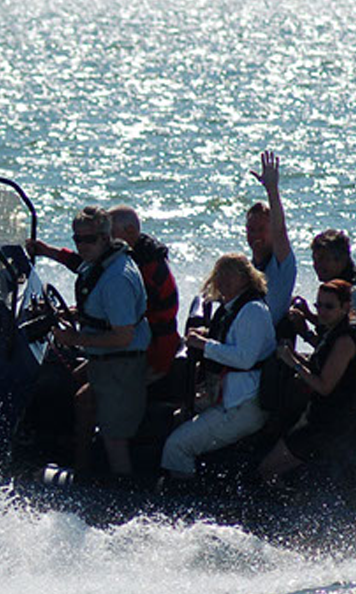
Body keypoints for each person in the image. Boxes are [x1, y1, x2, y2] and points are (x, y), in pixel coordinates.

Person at [49, 206, 151, 481]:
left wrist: (75, 339)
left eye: (89, 239)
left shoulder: (116, 278)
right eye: (77, 239)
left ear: (105, 238)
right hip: (104, 361)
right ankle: (81, 472)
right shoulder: (98, 263)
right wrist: (71, 315)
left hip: (122, 365)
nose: (82, 246)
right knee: (80, 397)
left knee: (115, 438)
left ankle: (120, 495)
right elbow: (101, 311)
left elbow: (123, 335)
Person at [28, 204, 180, 380]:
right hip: (134, 343)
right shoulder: (127, 252)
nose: (106, 240)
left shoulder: (137, 268)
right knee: (74, 376)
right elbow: (90, 267)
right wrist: (48, 251)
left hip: (152, 352)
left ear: (129, 230)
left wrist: (76, 335)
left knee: (82, 396)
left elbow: (122, 315)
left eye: (107, 234)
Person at [161, 253, 276, 479]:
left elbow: (244, 358)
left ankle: (184, 501)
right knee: (174, 418)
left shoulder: (252, 310)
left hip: (244, 405)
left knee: (176, 447)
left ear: (246, 278)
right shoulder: (231, 309)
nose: (222, 280)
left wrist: (205, 344)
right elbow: (231, 340)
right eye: (219, 275)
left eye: (229, 275)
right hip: (229, 398)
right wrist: (206, 336)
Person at [257, 279, 356, 484]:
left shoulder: (344, 341)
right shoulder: (332, 332)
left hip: (328, 423)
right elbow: (318, 367)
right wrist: (293, 355)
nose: (322, 311)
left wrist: (293, 363)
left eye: (329, 306)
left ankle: (276, 511)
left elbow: (324, 386)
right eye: (319, 305)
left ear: (345, 307)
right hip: (316, 415)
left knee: (267, 469)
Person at [299, 229, 356, 351]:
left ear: (342, 260)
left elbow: (332, 353)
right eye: (314, 259)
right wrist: (307, 315)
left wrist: (304, 332)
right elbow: (333, 326)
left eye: (323, 259)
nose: (316, 265)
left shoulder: (355, 297)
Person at [246, 151, 297, 328]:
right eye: (251, 230)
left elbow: (280, 231)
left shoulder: (281, 264)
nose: (255, 235)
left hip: (265, 347)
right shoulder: (248, 268)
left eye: (262, 230)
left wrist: (272, 190)